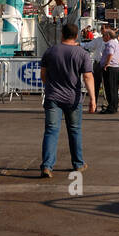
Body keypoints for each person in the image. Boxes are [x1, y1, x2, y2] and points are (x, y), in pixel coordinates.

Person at [39, 22, 95, 176]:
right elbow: (88, 76)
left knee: (51, 131)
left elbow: (43, 75)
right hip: (73, 98)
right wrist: (93, 99)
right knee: (75, 131)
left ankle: (47, 166)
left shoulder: (50, 51)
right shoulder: (82, 53)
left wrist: (51, 86)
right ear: (76, 36)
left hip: (53, 97)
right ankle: (78, 163)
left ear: (62, 34)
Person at [98, 25, 119, 114]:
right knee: (114, 88)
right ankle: (114, 106)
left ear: (108, 36)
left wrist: (107, 64)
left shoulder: (110, 43)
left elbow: (110, 54)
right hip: (115, 67)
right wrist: (116, 62)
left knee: (109, 88)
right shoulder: (116, 43)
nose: (102, 37)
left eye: (104, 35)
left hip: (110, 68)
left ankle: (111, 107)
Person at [83, 28, 106, 112]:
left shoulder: (112, 41)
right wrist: (80, 44)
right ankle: (94, 105)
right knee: (95, 86)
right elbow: (89, 45)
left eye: (104, 29)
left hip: (105, 64)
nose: (102, 31)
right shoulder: (98, 40)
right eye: (102, 29)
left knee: (105, 86)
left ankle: (105, 105)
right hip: (97, 63)